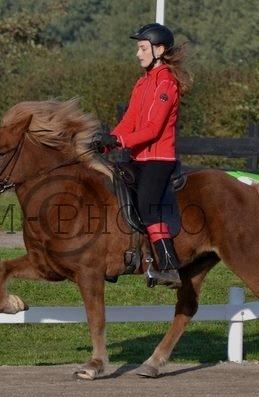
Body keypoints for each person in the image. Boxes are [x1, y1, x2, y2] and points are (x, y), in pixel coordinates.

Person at [94, 23, 192, 288]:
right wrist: (107, 142)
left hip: (159, 161)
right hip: (137, 158)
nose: (138, 54)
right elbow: (130, 120)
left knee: (148, 209)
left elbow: (152, 130)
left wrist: (120, 140)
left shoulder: (166, 84)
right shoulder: (142, 82)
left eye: (142, 48)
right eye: (138, 48)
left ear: (158, 50)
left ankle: (170, 268)